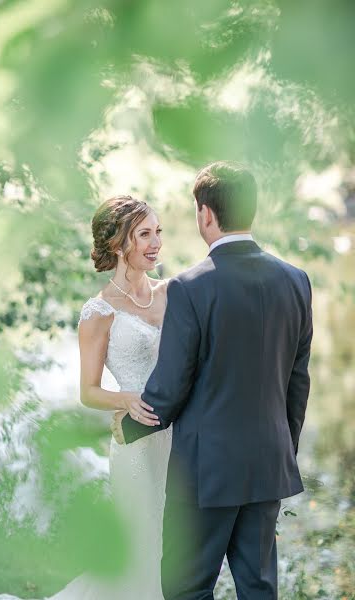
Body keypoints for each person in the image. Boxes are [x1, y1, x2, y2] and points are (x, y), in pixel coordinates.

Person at [112, 161, 313, 600]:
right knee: (259, 588)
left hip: (205, 472)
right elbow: (298, 382)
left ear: (205, 213)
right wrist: (283, 445)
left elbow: (169, 386)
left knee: (186, 588)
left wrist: (128, 430)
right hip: (268, 464)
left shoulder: (190, 287)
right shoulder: (297, 281)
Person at [0, 195, 171, 600]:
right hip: (135, 445)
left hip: (178, 439)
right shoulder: (98, 312)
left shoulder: (171, 294)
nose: (156, 242)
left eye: (158, 232)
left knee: (170, 548)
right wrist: (126, 399)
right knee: (142, 551)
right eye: (144, 234)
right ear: (117, 244)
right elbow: (88, 392)